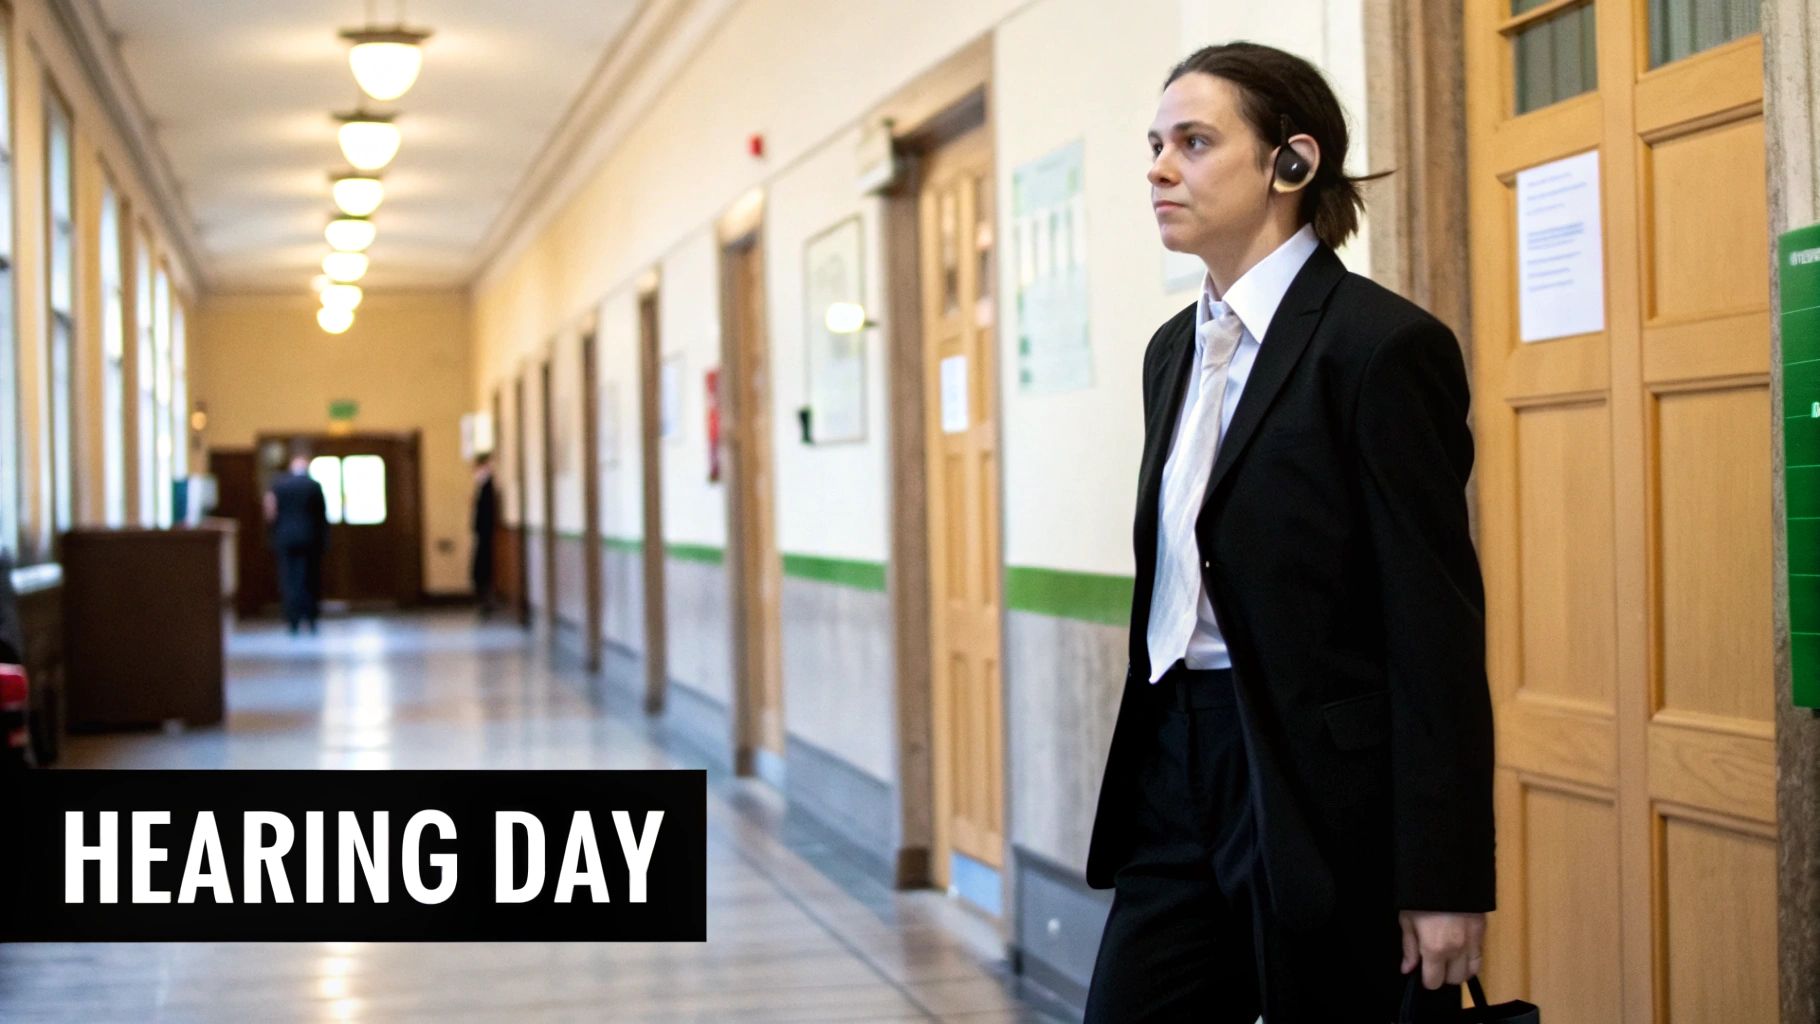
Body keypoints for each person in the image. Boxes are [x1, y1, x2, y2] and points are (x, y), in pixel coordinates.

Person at [1083, 42, 1495, 1022]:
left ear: (1290, 163)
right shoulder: (1169, 355)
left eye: (1191, 141)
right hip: (1176, 763)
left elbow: (1431, 631)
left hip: (1320, 791)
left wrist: (1442, 877)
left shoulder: (1379, 350)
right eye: (1153, 144)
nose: (1157, 167)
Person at [264, 445, 329, 636]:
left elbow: (270, 512)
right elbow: (322, 515)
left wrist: (273, 533)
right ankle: (311, 618)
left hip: (285, 538)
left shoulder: (279, 484)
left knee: (289, 579)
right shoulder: (313, 485)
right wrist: (324, 539)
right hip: (310, 538)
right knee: (309, 578)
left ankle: (292, 619)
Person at [470, 453, 499, 617]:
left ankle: (486, 597)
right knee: (480, 567)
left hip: (486, 534)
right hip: (482, 534)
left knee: (484, 566)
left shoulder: (488, 487)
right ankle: (483, 596)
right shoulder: (482, 486)